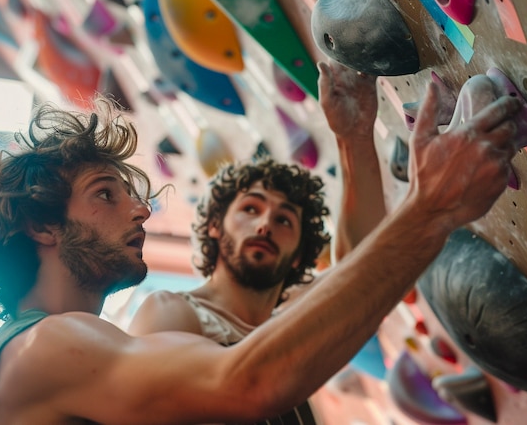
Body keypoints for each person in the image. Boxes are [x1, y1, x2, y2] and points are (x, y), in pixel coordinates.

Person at [0, 60, 520, 424]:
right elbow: (245, 383)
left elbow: (346, 289)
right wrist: (429, 209)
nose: (142, 209)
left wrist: (354, 139)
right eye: (105, 193)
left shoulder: (37, 357)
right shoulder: (43, 350)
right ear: (42, 225)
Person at [126, 60, 386, 424]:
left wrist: (355, 136)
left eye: (284, 220)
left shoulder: (285, 326)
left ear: (298, 257)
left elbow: (360, 271)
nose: (265, 224)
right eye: (251, 208)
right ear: (215, 227)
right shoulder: (173, 312)